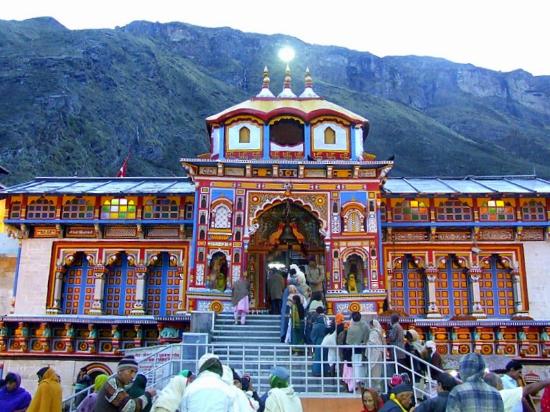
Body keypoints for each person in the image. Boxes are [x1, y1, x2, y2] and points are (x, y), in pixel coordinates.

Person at [484, 372, 550, 412]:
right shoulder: (501, 395)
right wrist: (547, 381)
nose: (503, 385)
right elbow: (528, 389)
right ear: (497, 384)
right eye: (501, 383)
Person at [346, 311, 370, 389]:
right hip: (363, 349)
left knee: (356, 367)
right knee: (361, 367)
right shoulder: (365, 326)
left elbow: (348, 341)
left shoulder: (351, 327)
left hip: (354, 350)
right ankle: (361, 383)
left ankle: (358, 383)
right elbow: (367, 337)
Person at [366, 319, 385, 392]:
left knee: (374, 371)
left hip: (375, 353)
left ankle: (376, 388)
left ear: (372, 325)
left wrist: (366, 343)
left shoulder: (373, 332)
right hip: (378, 352)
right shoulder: (378, 331)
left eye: (370, 325)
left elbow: (372, 342)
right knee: (377, 370)